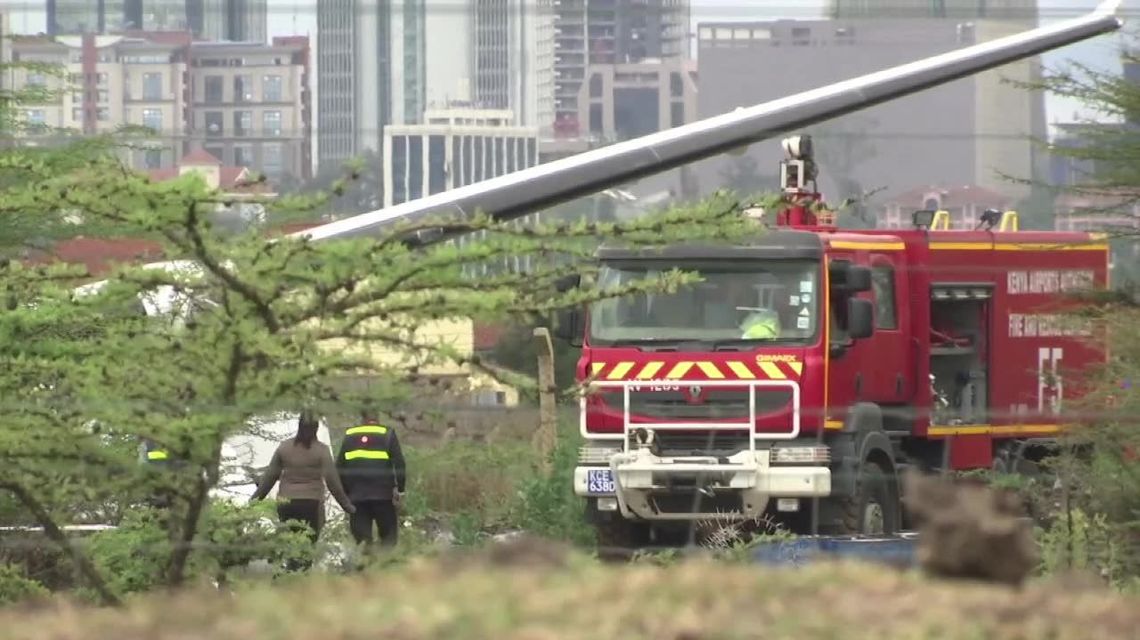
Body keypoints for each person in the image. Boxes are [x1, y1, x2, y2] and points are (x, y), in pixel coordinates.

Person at [251, 411, 356, 566]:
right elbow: (333, 482)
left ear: (299, 426)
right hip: (311, 504)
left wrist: (253, 502)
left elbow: (269, 478)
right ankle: (300, 576)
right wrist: (348, 506)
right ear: (316, 428)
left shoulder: (284, 448)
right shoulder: (321, 451)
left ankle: (287, 573)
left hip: (285, 503)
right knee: (307, 546)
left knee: (289, 542)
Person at [336, 407, 407, 550]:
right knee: (388, 539)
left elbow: (339, 467)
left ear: (361, 418)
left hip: (357, 498)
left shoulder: (350, 435)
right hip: (383, 497)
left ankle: (367, 568)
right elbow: (399, 463)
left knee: (363, 543)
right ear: (378, 418)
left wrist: (346, 492)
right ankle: (385, 568)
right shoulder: (388, 433)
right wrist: (400, 490)